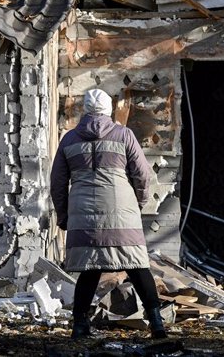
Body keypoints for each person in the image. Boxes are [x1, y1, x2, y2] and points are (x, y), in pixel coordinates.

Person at [50, 88, 166, 339]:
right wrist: (139, 202)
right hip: (121, 209)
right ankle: (156, 322)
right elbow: (142, 174)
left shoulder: (69, 140)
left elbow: (58, 183)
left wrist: (63, 215)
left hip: (83, 212)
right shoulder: (124, 135)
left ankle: (80, 325)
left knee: (90, 269)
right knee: (136, 265)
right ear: (108, 110)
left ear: (85, 110)